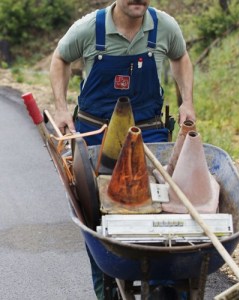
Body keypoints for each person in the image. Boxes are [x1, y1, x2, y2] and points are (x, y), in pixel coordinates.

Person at [50, 0, 196, 298]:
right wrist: (62, 109)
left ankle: (163, 287)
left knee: (160, 208)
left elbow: (180, 58)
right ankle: (109, 287)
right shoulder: (90, 28)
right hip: (96, 136)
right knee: (97, 217)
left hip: (149, 133)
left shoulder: (164, 26)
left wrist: (187, 102)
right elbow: (60, 59)